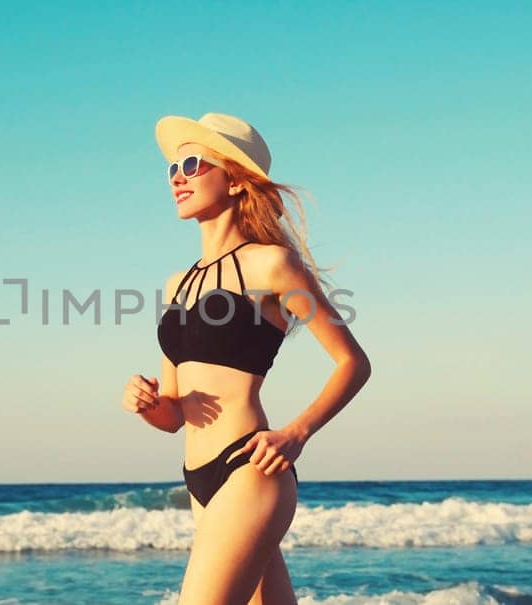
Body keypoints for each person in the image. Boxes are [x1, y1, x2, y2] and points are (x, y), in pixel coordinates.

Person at [122, 112, 372, 604]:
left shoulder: (271, 265)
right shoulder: (178, 284)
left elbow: (352, 363)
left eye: (192, 163)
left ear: (235, 180)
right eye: (173, 168)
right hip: (199, 479)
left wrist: (296, 433)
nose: (178, 176)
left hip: (249, 467)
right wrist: (147, 403)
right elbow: (173, 415)